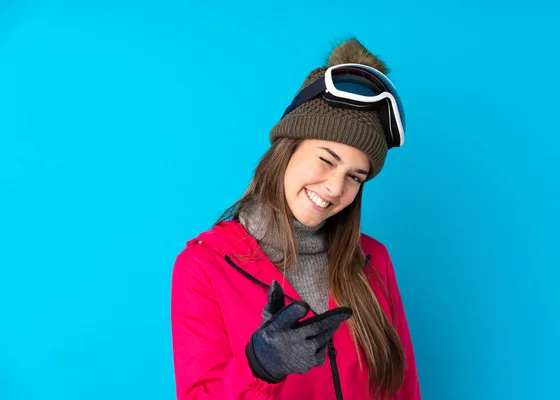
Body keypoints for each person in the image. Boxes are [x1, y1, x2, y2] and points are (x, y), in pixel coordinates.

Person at [170, 38, 421, 400]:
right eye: (327, 159)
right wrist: (259, 368)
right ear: (288, 147)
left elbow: (403, 390)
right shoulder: (204, 266)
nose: (335, 188)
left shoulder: (374, 261)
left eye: (355, 176)